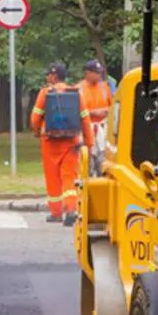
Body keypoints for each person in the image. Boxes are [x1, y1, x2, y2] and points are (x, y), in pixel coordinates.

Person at [30, 63, 93, 226]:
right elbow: (85, 120)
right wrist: (89, 142)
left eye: (48, 75)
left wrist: (37, 131)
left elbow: (35, 119)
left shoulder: (45, 93)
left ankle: (56, 213)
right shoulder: (75, 93)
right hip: (71, 143)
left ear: (54, 76)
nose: (47, 77)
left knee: (52, 179)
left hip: (49, 143)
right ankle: (71, 210)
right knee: (69, 178)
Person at [79, 59, 116, 175]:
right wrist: (93, 113)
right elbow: (77, 111)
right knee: (87, 162)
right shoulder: (79, 88)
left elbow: (113, 106)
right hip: (86, 129)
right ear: (88, 73)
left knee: (103, 161)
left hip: (103, 129)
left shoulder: (104, 87)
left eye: (100, 72)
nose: (99, 75)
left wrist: (106, 111)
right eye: (96, 72)